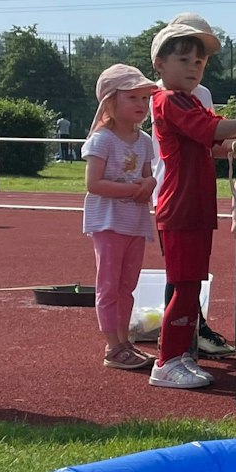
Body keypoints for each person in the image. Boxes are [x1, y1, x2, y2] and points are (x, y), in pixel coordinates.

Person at [149, 12, 236, 389]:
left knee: (192, 286)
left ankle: (180, 353)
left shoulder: (190, 101)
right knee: (184, 288)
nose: (194, 67)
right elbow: (214, 130)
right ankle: (166, 361)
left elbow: (219, 140)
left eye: (199, 62)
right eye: (183, 59)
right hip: (179, 208)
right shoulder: (168, 100)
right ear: (159, 64)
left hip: (194, 207)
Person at [83, 63, 157, 370]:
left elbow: (148, 176)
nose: (141, 104)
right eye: (133, 97)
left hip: (135, 224)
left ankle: (124, 341)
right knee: (109, 286)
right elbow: (93, 184)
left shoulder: (144, 141)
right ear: (111, 101)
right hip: (109, 223)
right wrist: (134, 189)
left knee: (127, 287)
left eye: (145, 98)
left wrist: (149, 184)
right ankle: (112, 346)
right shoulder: (102, 139)